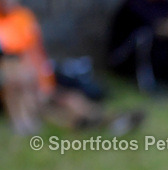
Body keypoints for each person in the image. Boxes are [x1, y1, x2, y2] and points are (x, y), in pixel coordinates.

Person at [0, 0, 144, 135]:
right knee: (42, 101)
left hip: (36, 81)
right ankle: (91, 125)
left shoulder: (22, 17)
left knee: (72, 100)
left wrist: (45, 84)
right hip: (15, 85)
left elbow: (37, 55)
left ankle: (106, 120)